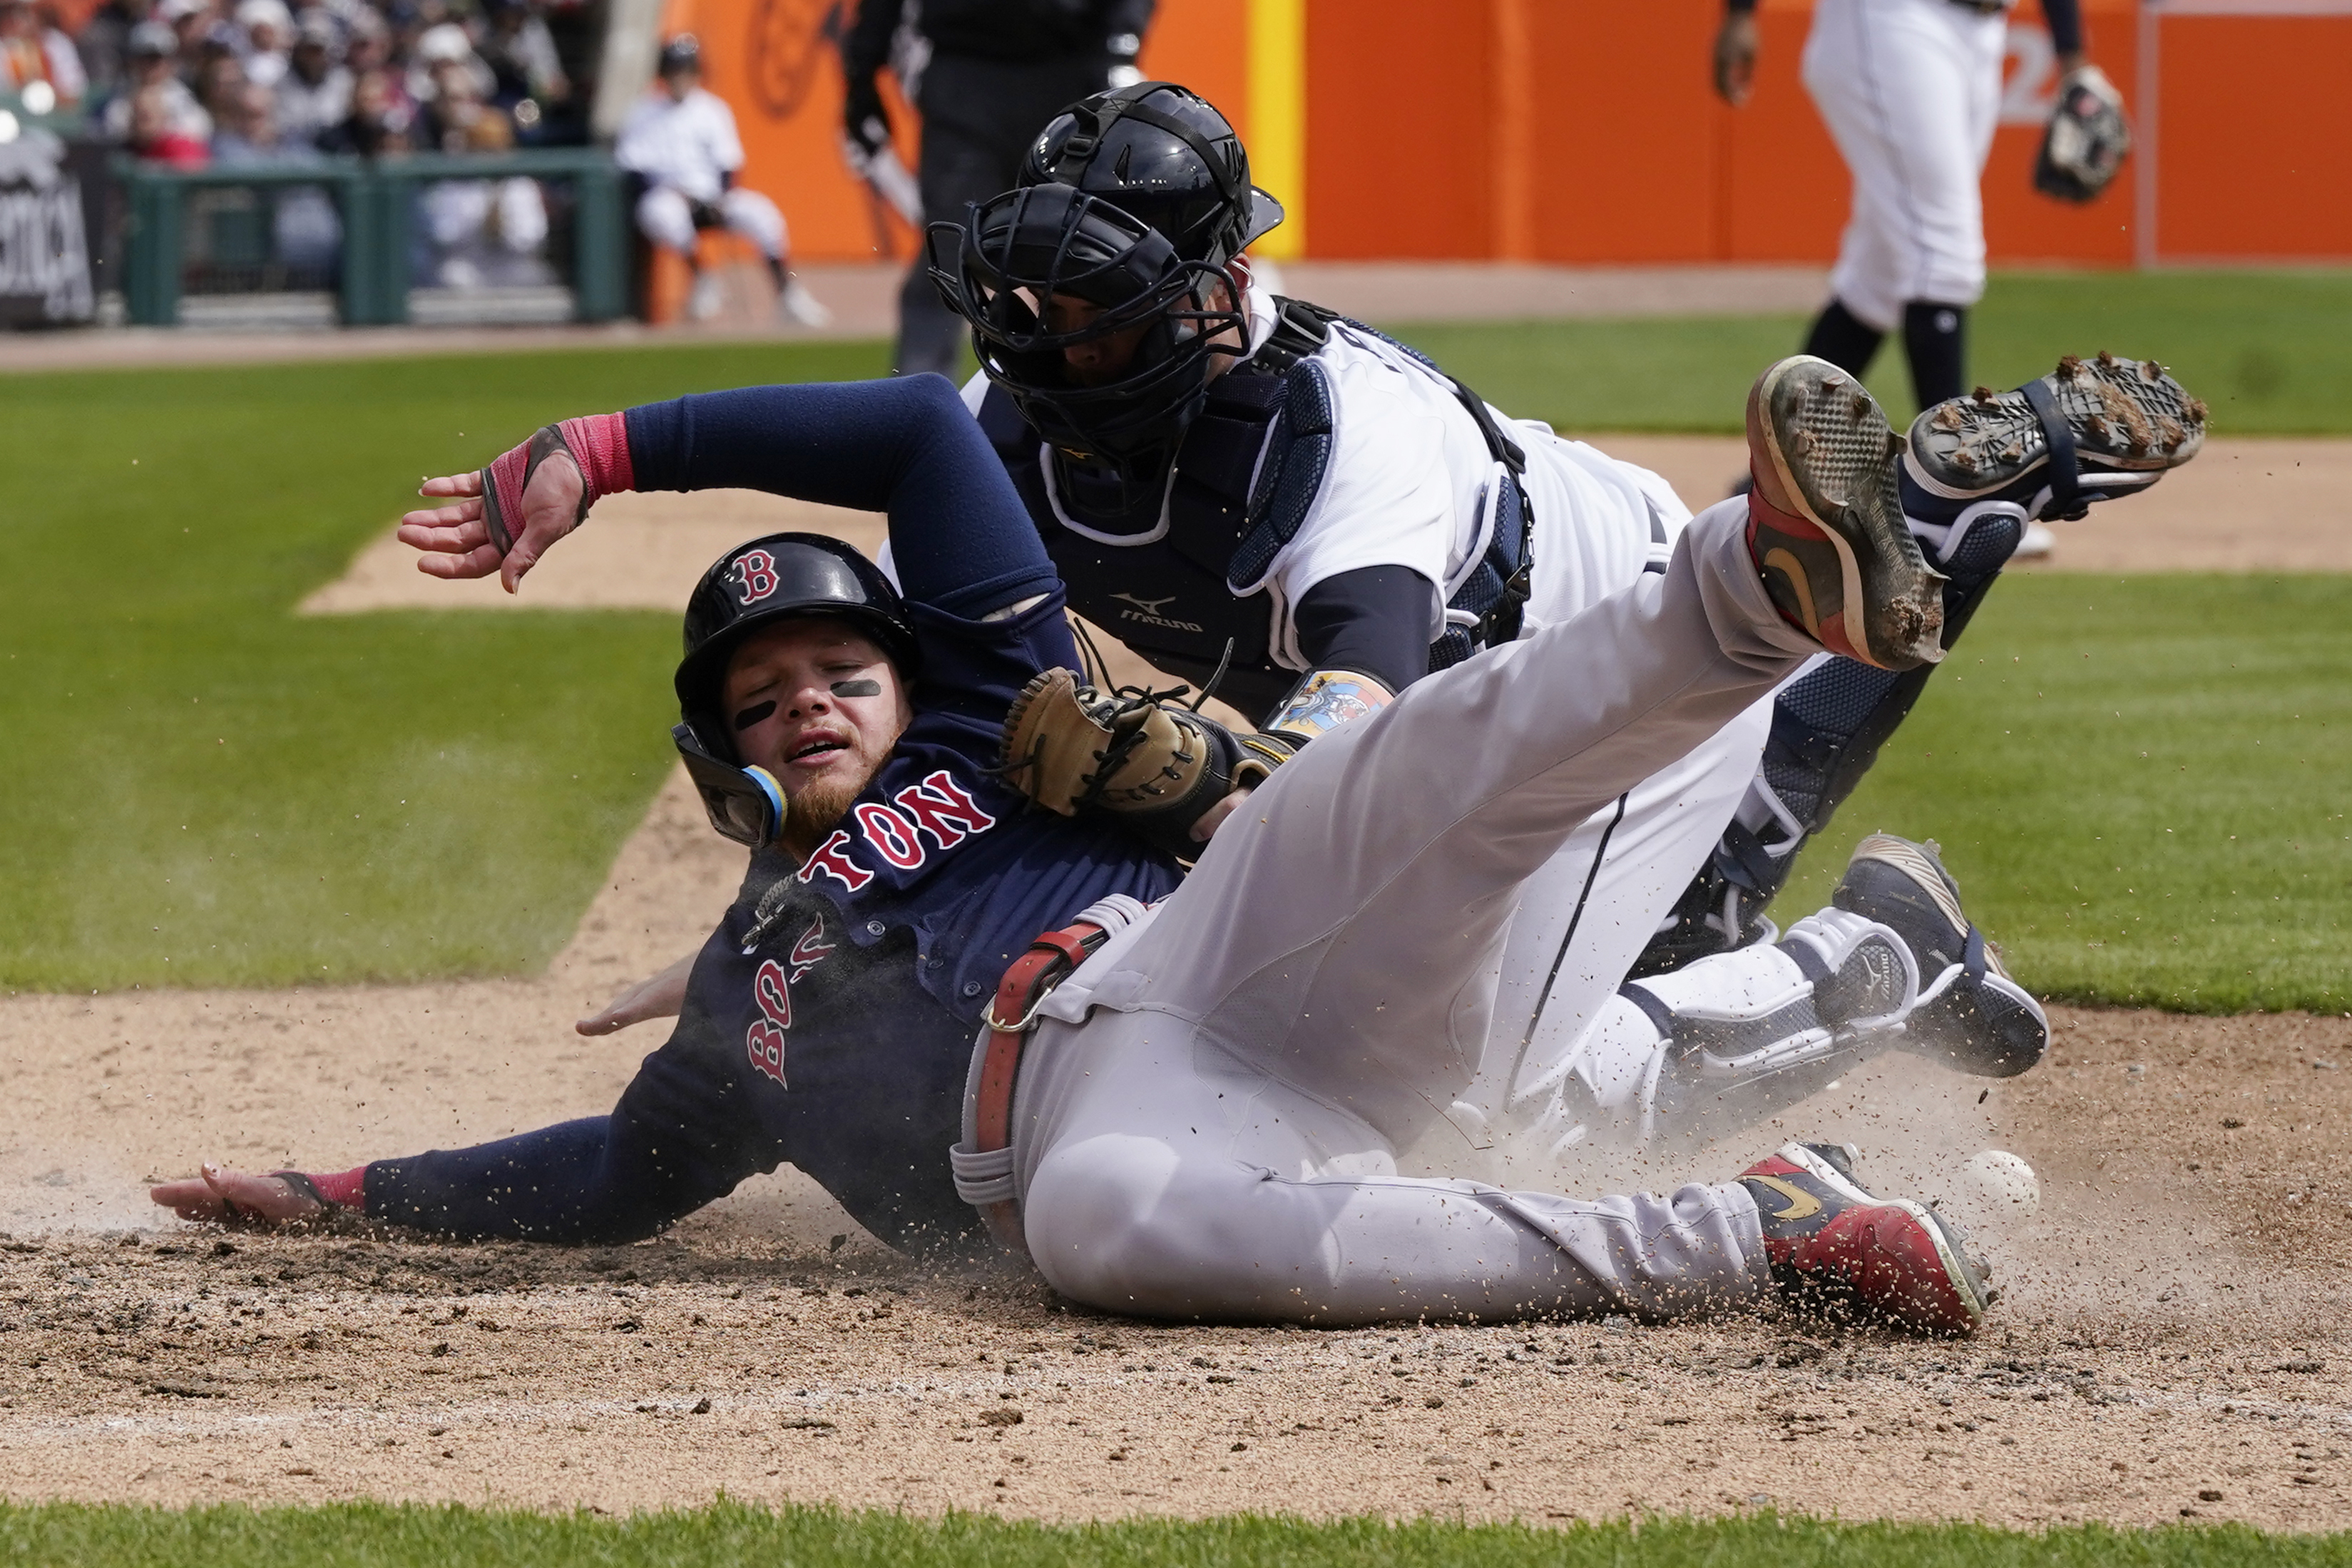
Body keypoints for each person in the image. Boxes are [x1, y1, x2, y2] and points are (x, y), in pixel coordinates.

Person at [156, 359, 2049, 1334]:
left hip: (1201, 961)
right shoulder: (745, 994)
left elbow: (913, 424)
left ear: (904, 673)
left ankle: (1754, 578)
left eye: (836, 664)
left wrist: (599, 444)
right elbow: (600, 1177)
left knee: (1394, 777)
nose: (805, 700)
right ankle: (1761, 1235)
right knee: (1100, 1223)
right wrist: (341, 1189)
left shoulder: (991, 703)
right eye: (758, 700)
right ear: (719, 757)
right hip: (1124, 1125)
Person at [915, 83, 2204, 1144]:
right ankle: (1928, 519)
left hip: (1611, 652)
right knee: (1688, 930)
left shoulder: (1341, 436)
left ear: (1218, 280)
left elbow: (1357, 733)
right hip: (1557, 659)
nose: (1057, 348)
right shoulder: (1002, 421)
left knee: (1480, 1119)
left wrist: (1200, 781)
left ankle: (1880, 956)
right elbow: (894, 676)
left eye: (1099, 310)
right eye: (1039, 303)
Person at [1712, 0, 2109, 419]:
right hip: (1892, 17)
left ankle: (1775, 474)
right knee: (1943, 256)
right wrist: (1741, 12)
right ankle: (1952, 473)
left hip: (1984, 29)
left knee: (1880, 277)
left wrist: (2073, 58)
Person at [838, 0, 1152, 377]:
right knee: (951, 255)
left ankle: (1092, 400)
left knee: (1083, 254)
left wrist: (1122, 39)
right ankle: (916, 408)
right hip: (965, 75)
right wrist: (862, 70)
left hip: (1067, 71)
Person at [615, 34, 829, 327]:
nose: (681, 78)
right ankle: (704, 278)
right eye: (675, 71)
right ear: (663, 74)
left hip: (711, 198)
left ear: (697, 73)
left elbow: (729, 165)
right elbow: (633, 169)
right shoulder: (643, 112)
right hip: (668, 196)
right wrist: (669, 190)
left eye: (687, 71)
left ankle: (788, 295)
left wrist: (720, 196)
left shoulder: (711, 109)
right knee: (663, 213)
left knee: (763, 213)